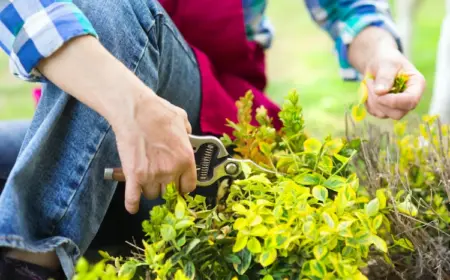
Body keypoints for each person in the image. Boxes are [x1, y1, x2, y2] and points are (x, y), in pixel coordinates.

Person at [0, 0, 425, 279]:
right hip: (91, 146)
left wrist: (382, 53)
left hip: (212, 141)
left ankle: (31, 264)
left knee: (106, 7)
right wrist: (132, 105)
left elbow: (346, 7)